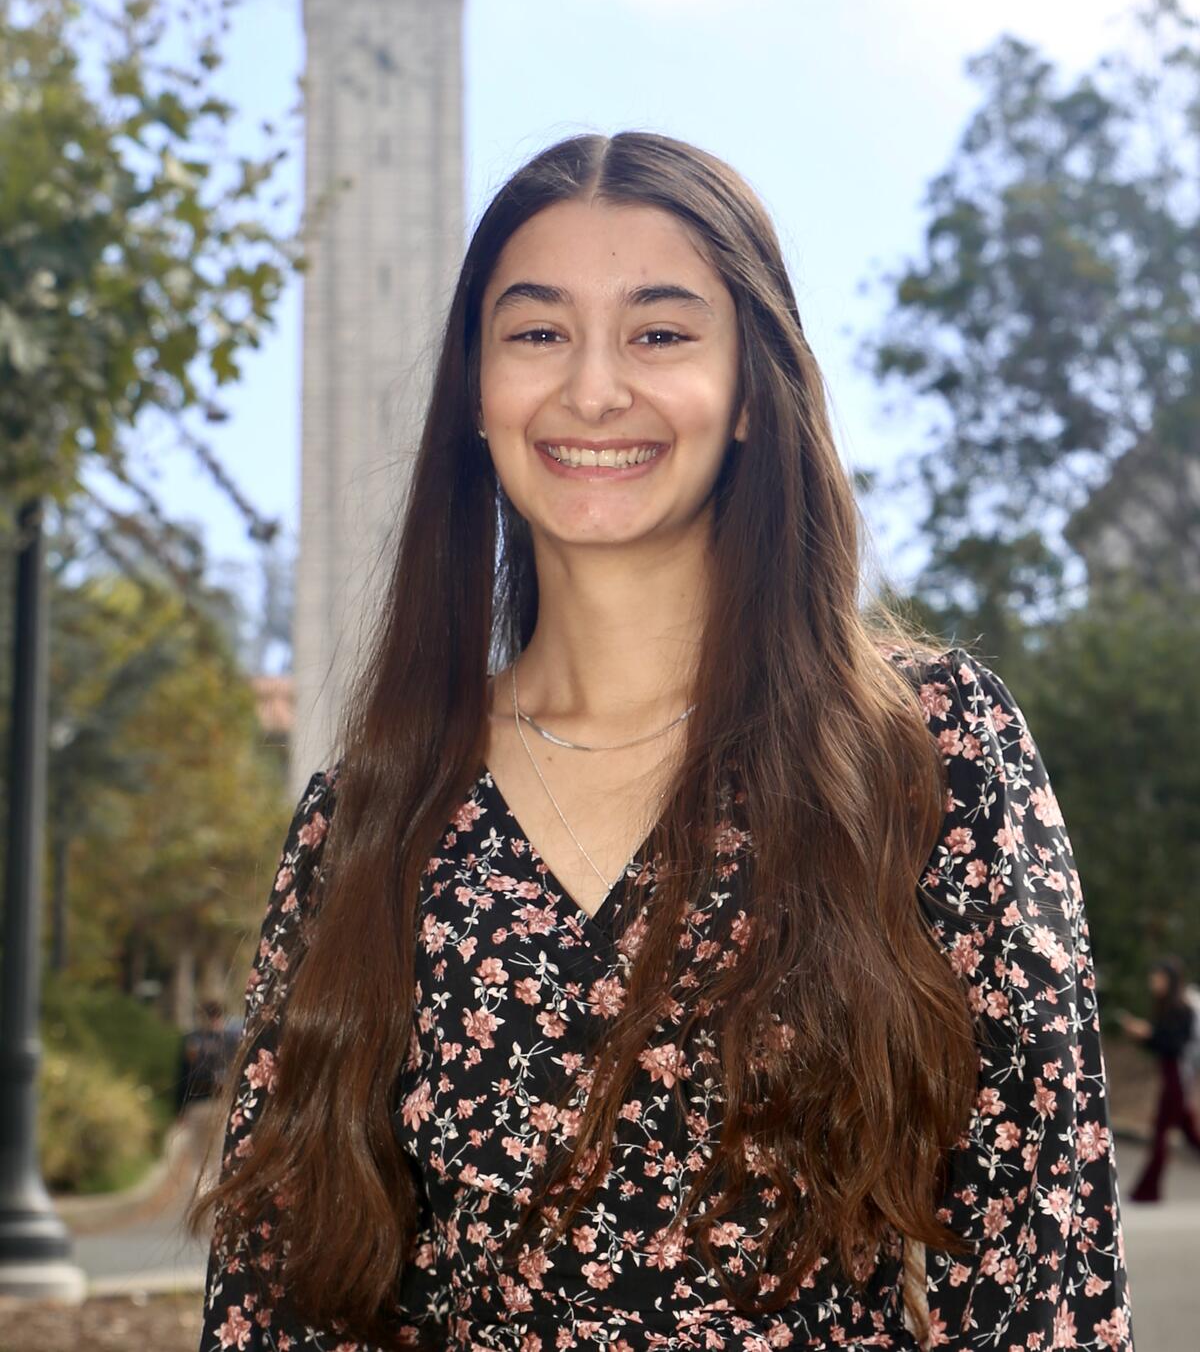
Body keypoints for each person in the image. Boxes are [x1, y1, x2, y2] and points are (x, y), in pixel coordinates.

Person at [191, 133, 1133, 1351]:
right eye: (537, 333)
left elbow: (1041, 1283)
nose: (592, 388)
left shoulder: (926, 754)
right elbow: (280, 1301)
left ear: (751, 391)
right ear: (477, 390)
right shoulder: (373, 815)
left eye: (660, 332)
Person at [1121, 955, 1200, 1202]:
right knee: (1187, 1134)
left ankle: (1148, 1190)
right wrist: (1145, 1036)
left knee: (1162, 1134)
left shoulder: (1182, 1008)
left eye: (1158, 977)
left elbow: (1175, 1046)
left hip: (1178, 1076)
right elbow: (1160, 1045)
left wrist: (1149, 1033)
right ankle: (1147, 1190)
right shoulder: (1167, 1007)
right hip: (1170, 1075)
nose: (1153, 982)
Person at [175, 999, 240, 1195]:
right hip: (223, 1105)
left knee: (198, 1157)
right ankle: (214, 1199)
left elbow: (181, 1076)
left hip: (196, 1105)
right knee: (217, 1156)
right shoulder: (231, 1040)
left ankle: (200, 1198)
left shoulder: (192, 1040)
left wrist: (179, 1110)